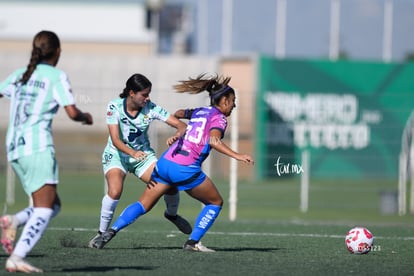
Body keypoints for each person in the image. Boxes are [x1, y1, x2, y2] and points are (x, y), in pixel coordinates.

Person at [93, 73, 254, 252]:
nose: (234, 105)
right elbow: (214, 141)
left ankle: (111, 231)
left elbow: (179, 114)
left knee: (143, 204)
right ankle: (192, 242)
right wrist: (238, 155)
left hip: (165, 163)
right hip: (184, 167)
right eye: (233, 101)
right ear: (224, 101)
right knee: (215, 202)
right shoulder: (220, 118)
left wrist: (181, 131)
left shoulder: (200, 111)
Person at [0, 30, 93, 273]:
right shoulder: (56, 76)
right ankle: (17, 257)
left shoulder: (21, 74)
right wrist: (86, 117)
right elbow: (72, 113)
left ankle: (13, 221)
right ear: (58, 51)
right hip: (37, 147)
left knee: (53, 204)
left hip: (13, 148)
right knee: (45, 208)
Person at [88, 73, 191, 248]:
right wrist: (132, 152)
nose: (147, 98)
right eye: (144, 94)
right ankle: (100, 235)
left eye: (148, 93)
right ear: (131, 93)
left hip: (143, 157)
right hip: (117, 154)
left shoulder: (151, 108)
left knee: (169, 182)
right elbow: (115, 140)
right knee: (115, 190)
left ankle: (171, 215)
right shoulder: (114, 106)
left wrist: (177, 134)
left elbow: (182, 125)